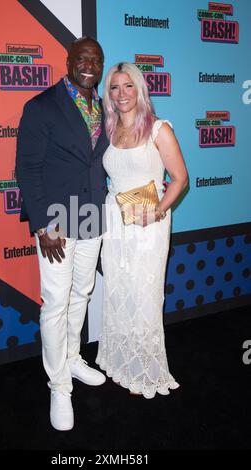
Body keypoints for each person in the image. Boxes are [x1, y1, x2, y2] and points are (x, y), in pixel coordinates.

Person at [15, 37, 109, 431]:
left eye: (96, 60)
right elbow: (27, 168)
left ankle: (72, 358)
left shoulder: (103, 106)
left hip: (91, 214)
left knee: (82, 294)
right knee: (55, 303)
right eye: (82, 58)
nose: (89, 65)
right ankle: (58, 386)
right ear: (68, 61)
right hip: (56, 220)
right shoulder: (41, 105)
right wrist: (41, 224)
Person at [96, 62, 188, 398]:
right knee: (119, 291)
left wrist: (159, 212)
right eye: (115, 88)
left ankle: (145, 370)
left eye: (128, 86)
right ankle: (120, 361)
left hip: (149, 224)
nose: (121, 94)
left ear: (140, 89)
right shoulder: (108, 130)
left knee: (145, 295)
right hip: (115, 221)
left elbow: (180, 179)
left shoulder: (159, 129)